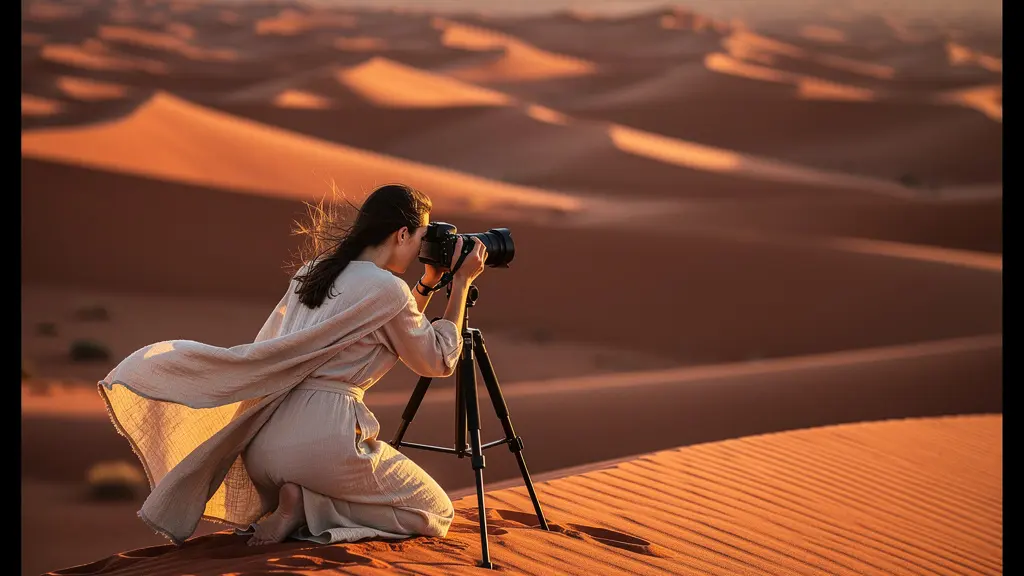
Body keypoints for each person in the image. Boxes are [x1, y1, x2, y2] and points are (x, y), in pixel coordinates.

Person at [97, 183, 486, 548]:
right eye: (422, 237)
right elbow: (436, 360)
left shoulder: (317, 270)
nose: (423, 248)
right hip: (324, 441)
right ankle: (310, 505)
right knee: (434, 512)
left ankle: (299, 499)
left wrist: (427, 285)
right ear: (402, 234)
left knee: (387, 493)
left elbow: (391, 327)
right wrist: (462, 283)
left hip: (265, 445)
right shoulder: (387, 290)